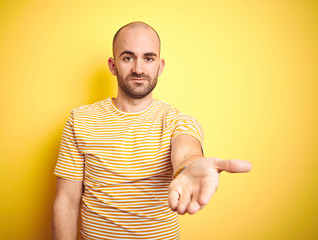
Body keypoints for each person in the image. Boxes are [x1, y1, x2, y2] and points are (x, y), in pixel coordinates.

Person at [52, 21, 252, 240]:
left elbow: (186, 151)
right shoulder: (80, 119)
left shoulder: (176, 120)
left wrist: (190, 165)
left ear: (160, 66)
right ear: (112, 65)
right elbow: (67, 201)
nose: (138, 69)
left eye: (148, 58)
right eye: (128, 57)